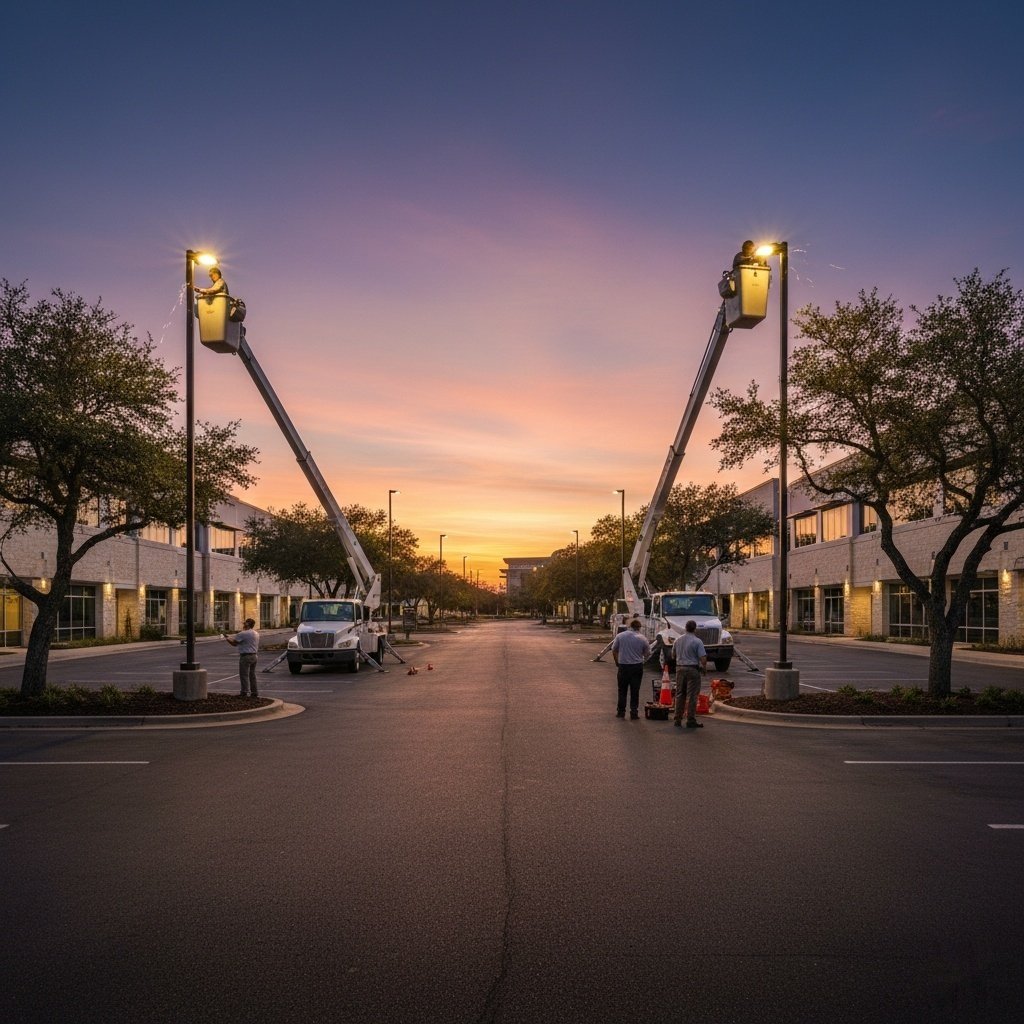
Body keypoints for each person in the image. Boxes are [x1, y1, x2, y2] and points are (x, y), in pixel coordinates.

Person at [610, 619, 651, 720]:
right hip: (637, 667)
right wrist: (641, 659)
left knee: (622, 690)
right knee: (635, 690)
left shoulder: (620, 636)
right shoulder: (642, 638)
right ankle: (634, 712)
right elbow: (647, 654)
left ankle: (621, 712)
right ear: (639, 627)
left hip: (623, 666)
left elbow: (614, 650)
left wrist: (617, 662)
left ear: (630, 626)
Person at [672, 619, 707, 728]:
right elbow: (703, 658)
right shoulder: (697, 641)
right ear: (695, 629)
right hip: (692, 669)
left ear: (685, 628)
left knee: (680, 694)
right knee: (692, 695)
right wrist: (704, 667)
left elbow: (673, 655)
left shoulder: (678, 640)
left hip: (680, 669)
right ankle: (690, 719)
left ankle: (677, 719)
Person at [225, 617, 260, 697]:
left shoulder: (243, 633)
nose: (243, 625)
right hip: (254, 656)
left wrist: (227, 638)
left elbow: (234, 643)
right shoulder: (256, 633)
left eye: (245, 623)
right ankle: (254, 692)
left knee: (244, 675)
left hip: (245, 656)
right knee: (252, 675)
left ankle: (244, 692)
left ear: (247, 624)